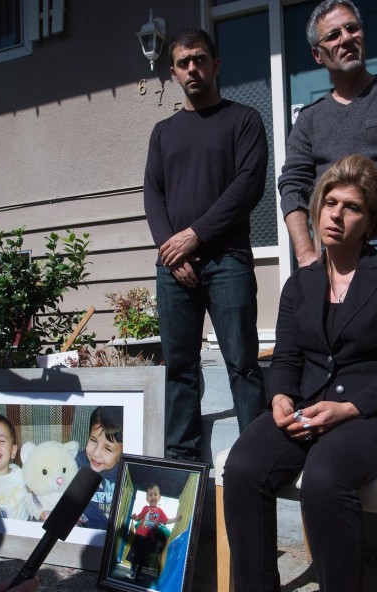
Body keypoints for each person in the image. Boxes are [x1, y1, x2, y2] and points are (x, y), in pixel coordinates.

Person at [207, 156, 377, 592]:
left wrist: (349, 407)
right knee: (243, 468)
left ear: (369, 220)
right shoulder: (300, 284)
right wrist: (280, 397)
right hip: (308, 405)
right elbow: (284, 359)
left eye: (351, 208)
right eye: (329, 202)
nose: (336, 215)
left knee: (326, 479)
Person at [143, 27, 267, 461]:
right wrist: (169, 250)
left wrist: (194, 235)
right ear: (173, 72)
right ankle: (182, 458)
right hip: (174, 269)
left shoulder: (244, 121)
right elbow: (152, 197)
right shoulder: (162, 133)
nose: (192, 68)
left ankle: (256, 452)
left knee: (243, 362)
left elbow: (247, 187)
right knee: (180, 368)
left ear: (215, 65)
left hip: (227, 261)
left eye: (199, 59)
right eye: (182, 62)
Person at [277, 0, 377, 266]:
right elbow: (292, 186)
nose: (346, 38)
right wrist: (305, 254)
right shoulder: (309, 119)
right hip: (332, 250)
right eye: (333, 35)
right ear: (318, 55)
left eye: (351, 28)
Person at [75, 406, 124, 529]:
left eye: (107, 449)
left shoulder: (125, 477)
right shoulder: (77, 463)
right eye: (93, 440)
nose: (96, 453)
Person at [127, 483, 181, 581]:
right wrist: (134, 517)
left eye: (155, 494)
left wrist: (176, 519)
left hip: (149, 538)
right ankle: (132, 571)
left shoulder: (160, 512)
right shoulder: (145, 508)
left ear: (159, 497)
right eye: (150, 495)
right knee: (136, 554)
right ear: (147, 499)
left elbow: (166, 521)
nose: (153, 496)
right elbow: (138, 518)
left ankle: (138, 574)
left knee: (143, 557)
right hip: (139, 536)